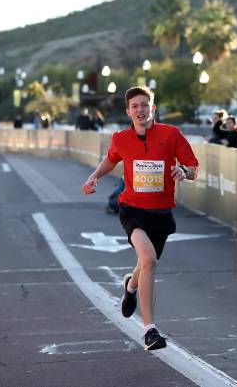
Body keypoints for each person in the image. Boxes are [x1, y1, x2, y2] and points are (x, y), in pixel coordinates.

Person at [81, 86, 199, 351]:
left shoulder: (171, 135)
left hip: (161, 211)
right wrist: (95, 177)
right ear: (128, 111)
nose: (140, 110)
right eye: (135, 106)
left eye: (145, 104)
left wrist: (183, 171)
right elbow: (111, 160)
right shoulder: (121, 138)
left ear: (152, 108)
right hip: (132, 208)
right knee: (148, 259)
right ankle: (149, 331)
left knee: (145, 265)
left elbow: (193, 167)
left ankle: (130, 286)